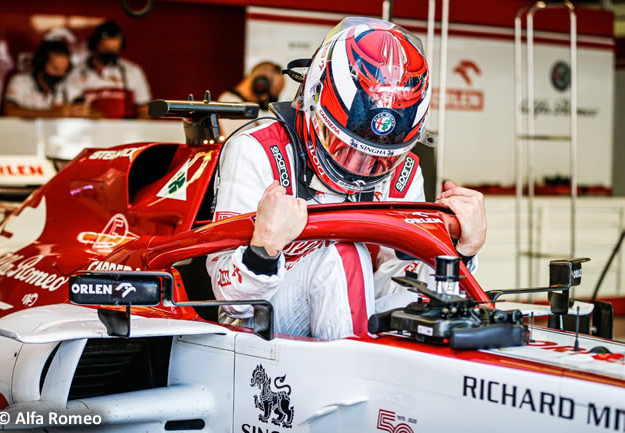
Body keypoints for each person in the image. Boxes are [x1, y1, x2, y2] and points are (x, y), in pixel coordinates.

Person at [206, 17, 487, 340]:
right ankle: (369, 381)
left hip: (345, 315)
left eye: (381, 157)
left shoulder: (405, 170)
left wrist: (458, 251)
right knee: (344, 255)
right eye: (346, 148)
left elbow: (396, 283)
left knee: (429, 302)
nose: (363, 168)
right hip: (260, 327)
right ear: (313, 104)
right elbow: (228, 302)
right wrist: (263, 251)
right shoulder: (255, 150)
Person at [66, 20, 151, 118]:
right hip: (89, 131)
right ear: (94, 44)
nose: (110, 53)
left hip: (125, 131)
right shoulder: (76, 73)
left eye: (114, 51)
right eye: (106, 50)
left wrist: (136, 131)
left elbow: (144, 111)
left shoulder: (133, 71)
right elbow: (71, 110)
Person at [4, 40, 89, 118]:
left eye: (64, 70)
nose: (60, 74)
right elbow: (10, 112)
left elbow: (96, 114)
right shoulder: (20, 81)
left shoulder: (67, 84)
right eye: (55, 69)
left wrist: (83, 112)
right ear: (40, 64)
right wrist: (52, 114)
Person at [217, 61, 285, 137]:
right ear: (261, 83)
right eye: (269, 92)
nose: (266, 99)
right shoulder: (231, 105)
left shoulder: (244, 109)